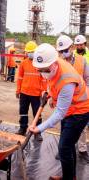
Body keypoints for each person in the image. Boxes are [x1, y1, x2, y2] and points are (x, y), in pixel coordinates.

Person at [30, 43, 89, 180]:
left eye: (44, 69)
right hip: (70, 110)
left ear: (53, 64)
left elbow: (59, 113)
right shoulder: (54, 65)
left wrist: (39, 128)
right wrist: (48, 92)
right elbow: (52, 81)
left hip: (80, 112)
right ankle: (70, 176)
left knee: (63, 147)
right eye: (39, 70)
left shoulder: (67, 80)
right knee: (68, 146)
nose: (42, 72)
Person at [56, 35, 89, 162]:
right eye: (61, 51)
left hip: (80, 103)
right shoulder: (59, 62)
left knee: (81, 128)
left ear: (71, 47)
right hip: (65, 101)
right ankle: (63, 149)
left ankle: (82, 150)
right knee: (64, 127)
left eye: (65, 50)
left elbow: (87, 80)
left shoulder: (82, 60)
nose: (63, 53)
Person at [16, 41, 46, 141]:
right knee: (23, 112)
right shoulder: (24, 63)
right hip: (24, 93)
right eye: (28, 52)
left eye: (32, 51)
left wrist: (43, 92)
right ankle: (22, 128)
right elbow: (20, 78)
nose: (30, 53)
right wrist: (18, 90)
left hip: (36, 94)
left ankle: (38, 132)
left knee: (37, 114)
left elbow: (44, 79)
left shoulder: (40, 64)